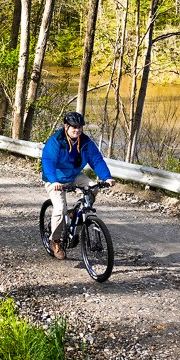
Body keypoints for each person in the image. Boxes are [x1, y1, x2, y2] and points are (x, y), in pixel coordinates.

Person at [41, 111, 115, 260]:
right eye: (74, 127)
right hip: (55, 178)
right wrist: (54, 181)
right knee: (60, 209)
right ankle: (55, 241)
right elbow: (48, 161)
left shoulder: (85, 142)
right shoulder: (56, 141)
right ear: (66, 126)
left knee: (93, 188)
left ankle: (76, 213)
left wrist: (106, 177)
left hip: (74, 175)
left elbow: (96, 160)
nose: (77, 130)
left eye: (80, 127)